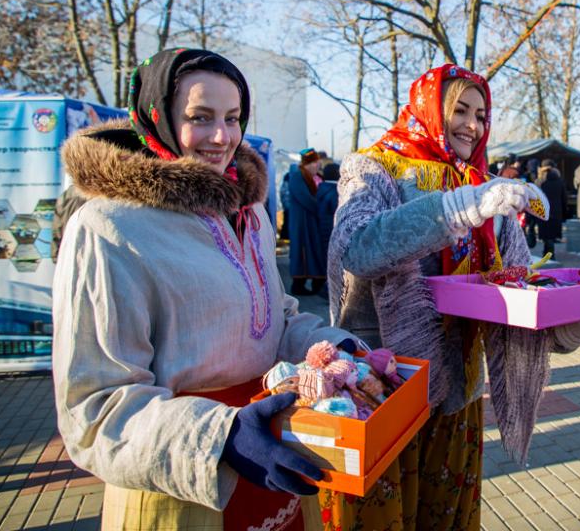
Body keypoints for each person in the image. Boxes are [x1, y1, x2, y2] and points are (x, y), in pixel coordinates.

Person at [52, 48, 360, 530]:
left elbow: (272, 318)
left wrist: (330, 345)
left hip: (275, 459)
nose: (222, 137)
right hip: (183, 487)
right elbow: (93, 410)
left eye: (233, 118)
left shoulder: (249, 210)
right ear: (159, 117)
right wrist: (223, 437)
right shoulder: (108, 227)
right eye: (200, 117)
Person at [323, 63, 580, 530]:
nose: (472, 125)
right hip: (383, 390)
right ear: (428, 109)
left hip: (457, 396)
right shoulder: (376, 167)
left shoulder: (486, 185)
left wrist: (577, 323)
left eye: (481, 115)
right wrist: (464, 206)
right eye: (459, 110)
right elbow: (357, 249)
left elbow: (519, 287)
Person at [287, 148, 326, 295]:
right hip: (302, 222)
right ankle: (298, 284)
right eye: (315, 163)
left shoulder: (315, 177)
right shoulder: (297, 177)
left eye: (318, 163)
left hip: (312, 220)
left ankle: (317, 283)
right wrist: (322, 209)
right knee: (302, 250)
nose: (318, 166)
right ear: (308, 163)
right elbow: (305, 198)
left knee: (315, 250)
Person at [314, 162, 341, 300]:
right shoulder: (335, 191)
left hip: (323, 229)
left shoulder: (322, 188)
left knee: (328, 259)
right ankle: (328, 291)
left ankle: (327, 289)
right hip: (332, 229)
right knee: (334, 261)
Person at [535, 158, 566, 259]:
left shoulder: (539, 181)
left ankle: (548, 255)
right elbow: (564, 198)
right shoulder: (559, 180)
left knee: (546, 235)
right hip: (556, 211)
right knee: (551, 235)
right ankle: (549, 254)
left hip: (542, 211)